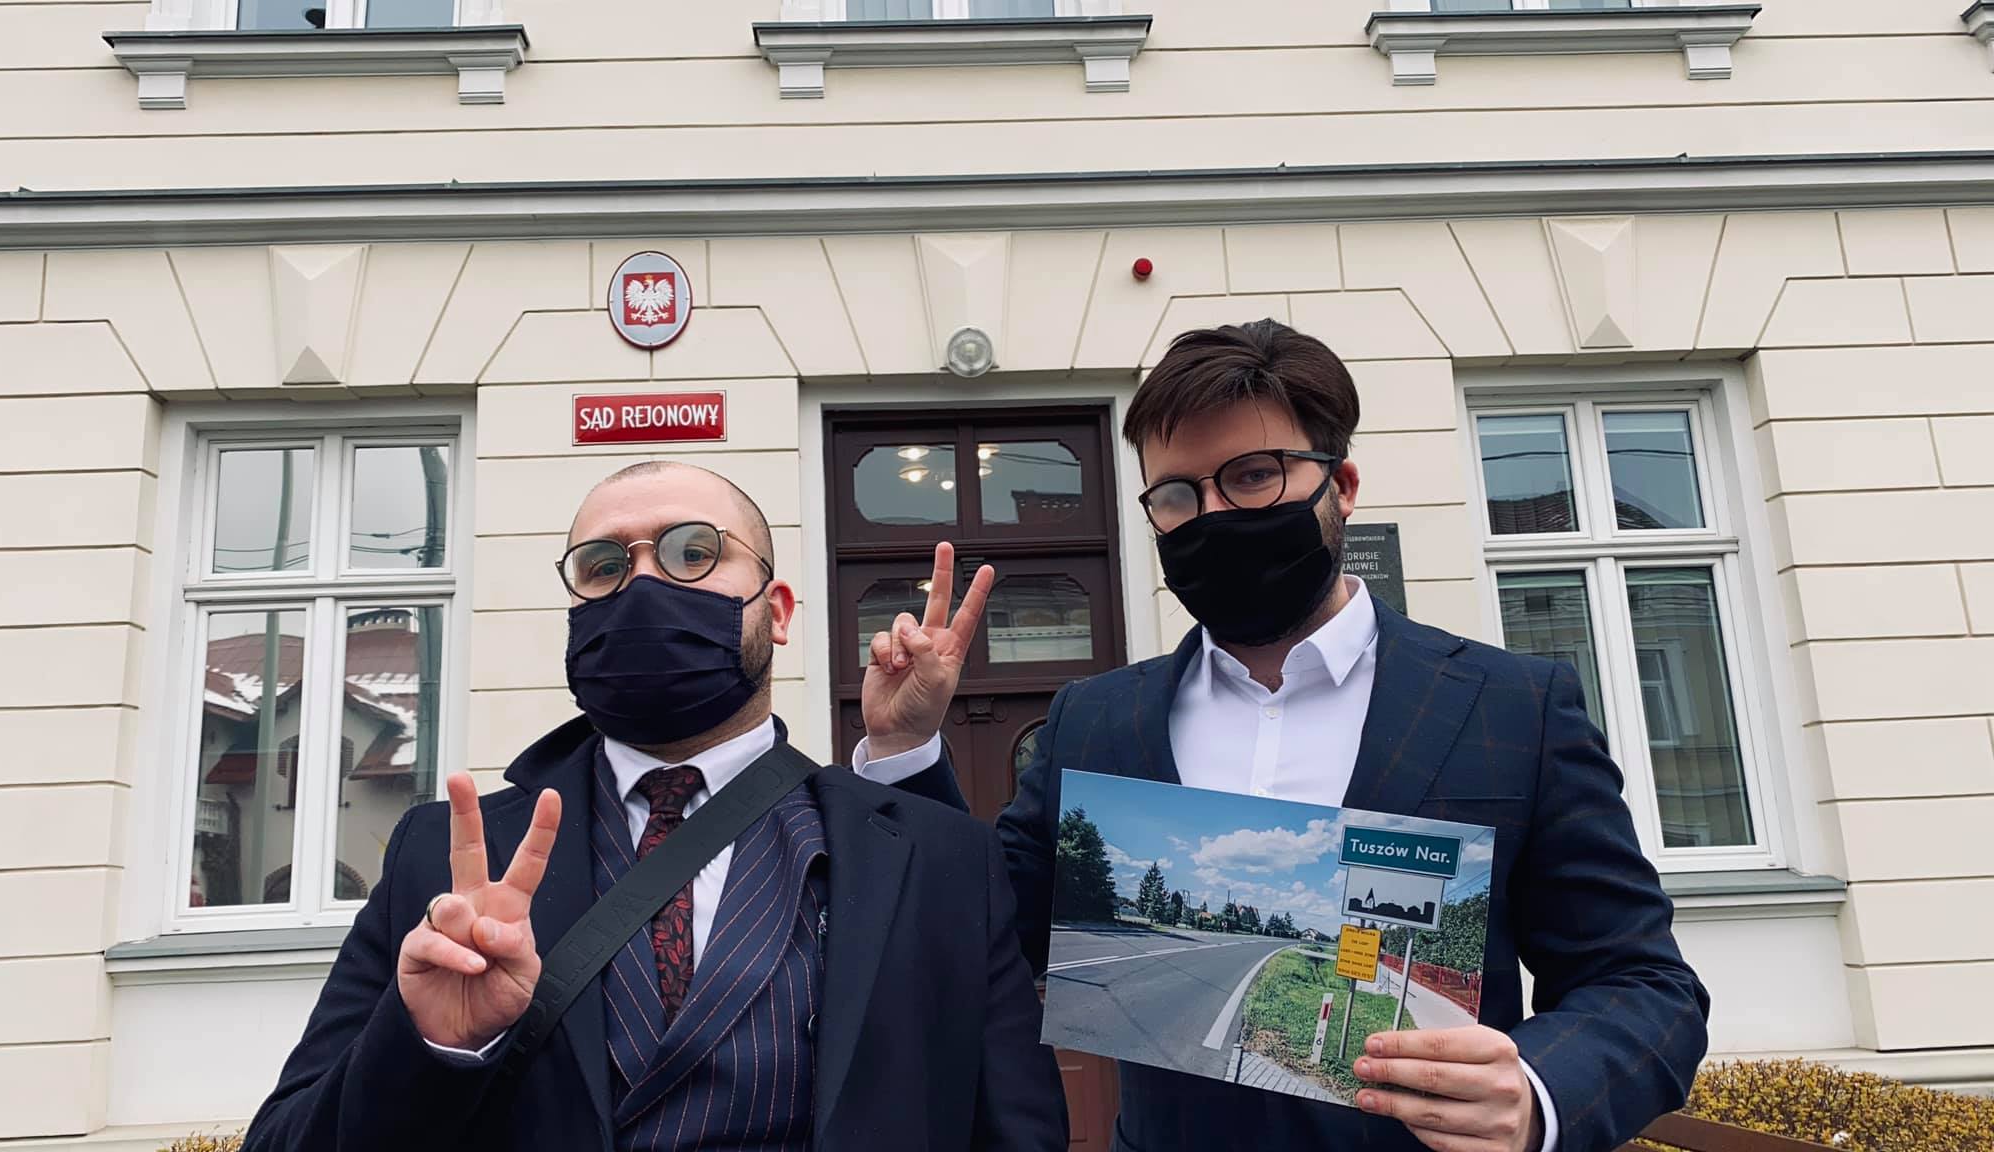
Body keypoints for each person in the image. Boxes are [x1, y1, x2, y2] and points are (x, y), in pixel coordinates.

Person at [853, 320, 1711, 1152]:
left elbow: (1643, 985)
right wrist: (906, 749)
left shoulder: (1512, 709)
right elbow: (981, 933)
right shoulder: (1098, 720)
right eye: (1178, 495)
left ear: (1342, 487)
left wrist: (1535, 1094)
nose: (1213, 514)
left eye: (1254, 475)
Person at [242, 461, 1067, 1152]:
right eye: (603, 565)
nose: (642, 582)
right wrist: (430, 1045)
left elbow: (1015, 1131)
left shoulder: (937, 856)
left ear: (777, 611)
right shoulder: (446, 859)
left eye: (692, 552)